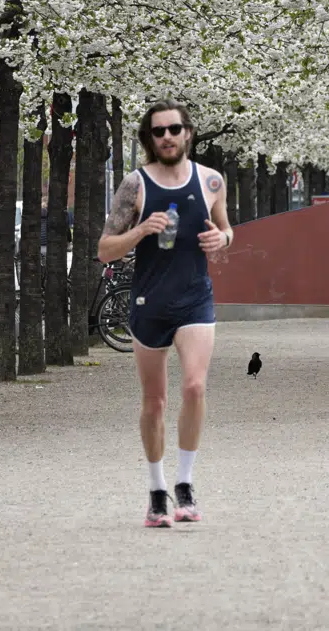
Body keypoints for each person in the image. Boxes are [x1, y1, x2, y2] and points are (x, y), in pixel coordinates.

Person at [98, 100, 232, 528]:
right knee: (154, 401)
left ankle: (185, 484)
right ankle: (157, 491)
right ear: (149, 138)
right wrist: (141, 230)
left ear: (188, 132)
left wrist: (223, 240)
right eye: (159, 131)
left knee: (194, 386)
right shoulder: (134, 186)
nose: (168, 137)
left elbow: (225, 228)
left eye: (175, 129)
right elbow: (105, 249)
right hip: (150, 303)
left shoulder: (211, 180)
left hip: (195, 299)